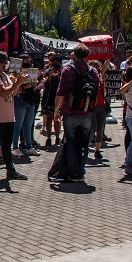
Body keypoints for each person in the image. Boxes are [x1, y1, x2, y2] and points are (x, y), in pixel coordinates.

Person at [54, 44, 100, 182]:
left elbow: (60, 92)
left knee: (72, 143)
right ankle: (81, 172)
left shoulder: (68, 70)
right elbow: (96, 92)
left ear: (74, 54)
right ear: (87, 56)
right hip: (87, 112)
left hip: (70, 111)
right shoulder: (93, 71)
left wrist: (57, 110)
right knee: (84, 144)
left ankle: (73, 173)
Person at [0, 51, 29, 183]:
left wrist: (19, 83)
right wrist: (16, 83)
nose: (7, 63)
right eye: (6, 61)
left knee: (7, 144)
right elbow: (3, 93)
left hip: (8, 115)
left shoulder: (5, 75)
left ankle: (10, 170)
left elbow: (13, 92)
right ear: (1, 62)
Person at [11, 54, 39, 157]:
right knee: (18, 125)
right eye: (26, 60)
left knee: (28, 125)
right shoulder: (15, 73)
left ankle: (29, 147)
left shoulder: (31, 72)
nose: (29, 62)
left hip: (30, 100)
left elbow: (33, 87)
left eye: (30, 60)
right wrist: (24, 87)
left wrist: (34, 85)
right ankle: (14, 147)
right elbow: (13, 88)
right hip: (20, 98)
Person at [39, 54, 62, 146]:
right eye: (54, 62)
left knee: (57, 118)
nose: (55, 64)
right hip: (48, 97)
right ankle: (48, 138)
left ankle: (57, 137)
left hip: (58, 98)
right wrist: (50, 76)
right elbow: (45, 81)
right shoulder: (48, 71)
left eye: (57, 62)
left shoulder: (63, 72)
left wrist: (59, 77)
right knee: (49, 118)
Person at [88, 60, 109, 160]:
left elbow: (106, 64)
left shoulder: (101, 76)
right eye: (94, 67)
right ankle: (85, 148)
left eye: (98, 67)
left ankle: (97, 150)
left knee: (100, 129)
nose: (96, 69)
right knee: (92, 129)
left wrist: (108, 57)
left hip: (101, 106)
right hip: (92, 107)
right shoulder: (88, 77)